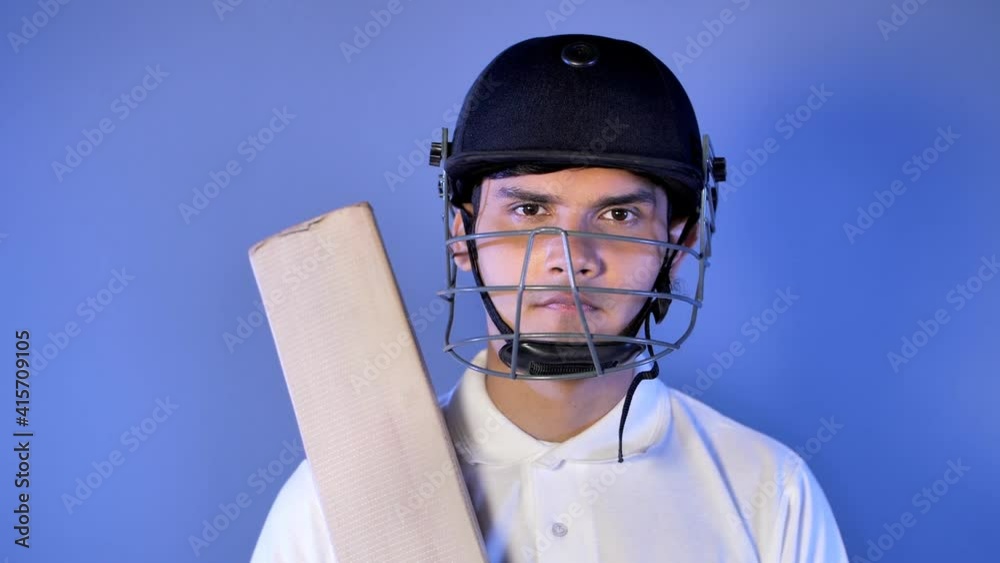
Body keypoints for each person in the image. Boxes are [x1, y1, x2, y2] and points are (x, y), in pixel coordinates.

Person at [250, 33, 850, 562]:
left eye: (618, 215)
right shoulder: (339, 500)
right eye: (530, 210)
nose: (571, 255)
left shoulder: (769, 490)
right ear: (463, 237)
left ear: (677, 246)